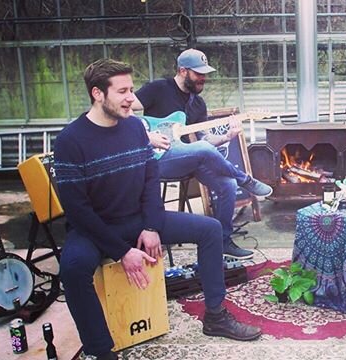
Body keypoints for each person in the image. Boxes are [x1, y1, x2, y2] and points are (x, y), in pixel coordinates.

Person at [55, 59, 261, 360]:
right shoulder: (70, 141)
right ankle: (101, 351)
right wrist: (121, 252)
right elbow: (77, 210)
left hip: (138, 219)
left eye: (131, 89)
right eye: (122, 91)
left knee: (211, 230)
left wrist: (151, 227)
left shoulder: (135, 129)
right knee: (72, 269)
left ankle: (215, 316)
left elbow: (151, 181)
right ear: (97, 94)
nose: (131, 98)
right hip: (94, 228)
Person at [132, 48, 272, 260]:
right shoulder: (158, 89)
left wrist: (227, 135)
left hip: (185, 156)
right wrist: (145, 134)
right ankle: (246, 179)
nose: (203, 78)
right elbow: (121, 108)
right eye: (198, 73)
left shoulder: (198, 104)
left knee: (228, 185)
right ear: (182, 71)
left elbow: (204, 141)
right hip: (157, 160)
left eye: (205, 74)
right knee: (206, 153)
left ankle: (223, 240)